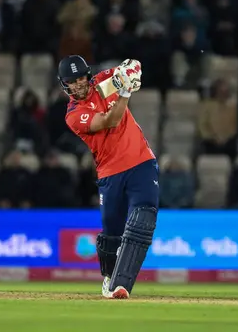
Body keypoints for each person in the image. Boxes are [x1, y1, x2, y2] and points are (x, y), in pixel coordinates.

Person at [59, 55, 157, 299]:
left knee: (144, 216)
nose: (79, 84)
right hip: (110, 173)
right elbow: (110, 120)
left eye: (81, 78)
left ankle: (121, 284)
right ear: (65, 85)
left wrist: (131, 73)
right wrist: (125, 91)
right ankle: (110, 277)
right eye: (72, 81)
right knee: (111, 233)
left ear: (88, 76)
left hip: (141, 161)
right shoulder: (74, 114)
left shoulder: (103, 82)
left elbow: (133, 65)